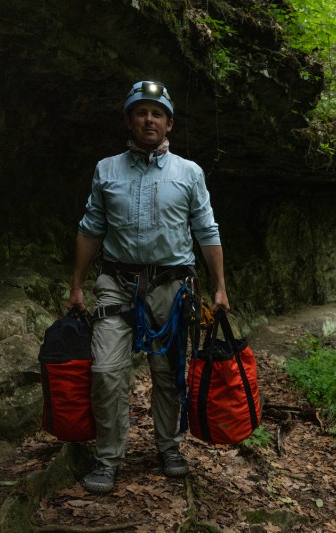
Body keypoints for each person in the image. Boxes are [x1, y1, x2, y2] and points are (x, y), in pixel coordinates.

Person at [67, 80, 230, 494]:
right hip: (116, 284)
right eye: (140, 112)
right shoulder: (107, 170)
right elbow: (91, 228)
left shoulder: (189, 173)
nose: (148, 119)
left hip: (171, 288)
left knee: (168, 374)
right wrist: (77, 286)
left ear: (169, 123)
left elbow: (206, 231)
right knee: (105, 370)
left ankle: (169, 446)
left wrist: (220, 288)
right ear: (129, 119)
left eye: (157, 113)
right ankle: (108, 458)